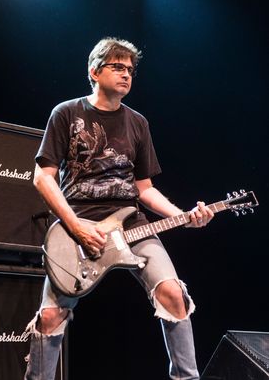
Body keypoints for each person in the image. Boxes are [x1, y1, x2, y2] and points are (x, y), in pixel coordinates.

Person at [24, 37, 214, 380]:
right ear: (94, 71)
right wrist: (77, 226)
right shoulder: (66, 113)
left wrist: (183, 216)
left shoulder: (138, 122)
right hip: (76, 225)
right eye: (117, 67)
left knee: (173, 295)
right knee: (51, 318)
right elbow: (42, 178)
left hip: (131, 224)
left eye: (130, 69)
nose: (126, 74)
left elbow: (144, 190)